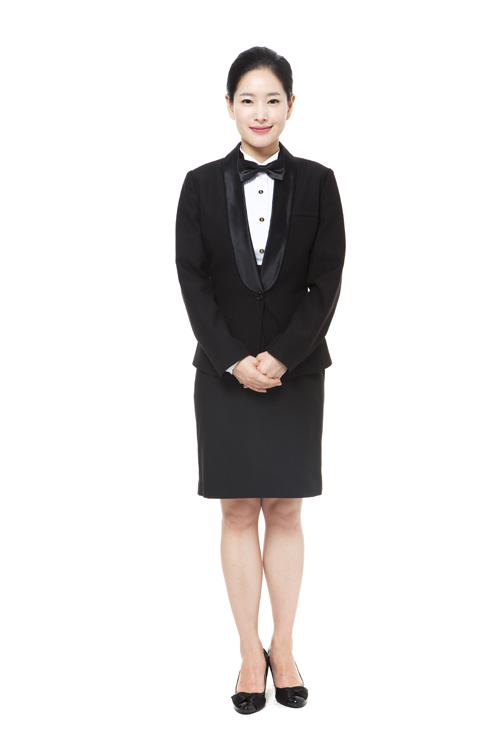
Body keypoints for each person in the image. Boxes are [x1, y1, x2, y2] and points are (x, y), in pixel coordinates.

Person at [175, 46, 346, 713]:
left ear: (291, 106)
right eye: (247, 99)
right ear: (229, 107)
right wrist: (232, 358)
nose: (260, 111)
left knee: (287, 508)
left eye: (272, 99)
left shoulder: (320, 183)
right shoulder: (197, 185)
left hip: (295, 373)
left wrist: (282, 356)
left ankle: (286, 645)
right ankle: (250, 652)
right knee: (239, 509)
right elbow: (193, 280)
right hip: (224, 374)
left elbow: (325, 280)